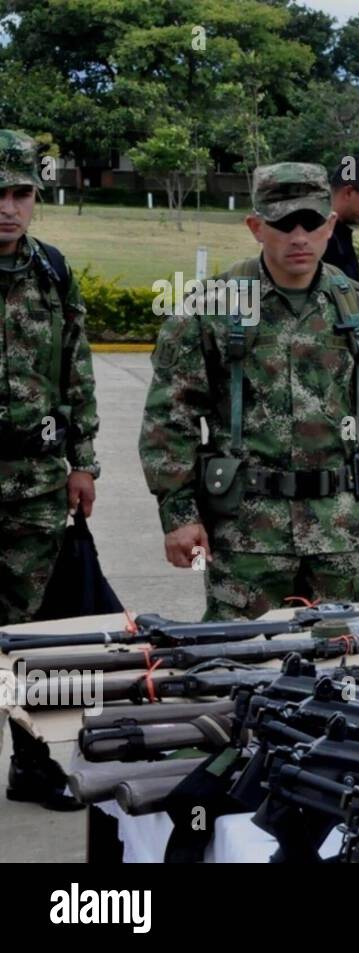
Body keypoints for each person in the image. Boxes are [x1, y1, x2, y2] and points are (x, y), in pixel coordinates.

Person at [139, 162, 359, 619]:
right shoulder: (211, 308)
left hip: (339, 534)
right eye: (282, 223)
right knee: (239, 665)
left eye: (311, 222)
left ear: (330, 225)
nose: (299, 237)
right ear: (256, 226)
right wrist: (180, 515)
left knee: (344, 660)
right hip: (246, 535)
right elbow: (171, 418)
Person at [0, 128, 99, 811]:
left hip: (34, 484)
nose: (7, 208)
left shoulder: (51, 270)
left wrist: (83, 460)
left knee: (33, 635)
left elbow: (77, 370)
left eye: (20, 194)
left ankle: (31, 764)